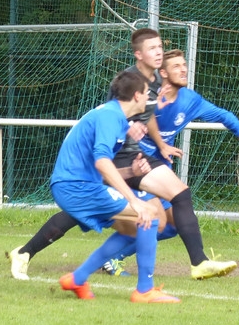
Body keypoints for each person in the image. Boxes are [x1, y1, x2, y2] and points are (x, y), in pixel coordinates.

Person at [7, 29, 237, 280]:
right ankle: (161, 276)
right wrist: (130, 133)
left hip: (128, 160)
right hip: (111, 161)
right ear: (138, 55)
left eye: (160, 47)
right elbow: (112, 123)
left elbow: (142, 117)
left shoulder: (154, 86)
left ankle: (38, 256)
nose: (159, 52)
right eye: (152, 48)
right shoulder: (127, 87)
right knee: (152, 215)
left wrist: (154, 146)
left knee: (160, 218)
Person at [98, 49, 239, 267]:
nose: (184, 69)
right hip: (136, 165)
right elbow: (127, 118)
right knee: (151, 218)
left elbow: (221, 114)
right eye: (176, 66)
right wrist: (160, 144)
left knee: (172, 225)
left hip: (159, 170)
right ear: (163, 73)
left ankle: (111, 258)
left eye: (184, 65)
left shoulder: (190, 100)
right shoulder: (147, 96)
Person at [51, 68, 179, 303]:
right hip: (75, 187)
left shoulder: (114, 117)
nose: (149, 97)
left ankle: (77, 279)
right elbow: (101, 162)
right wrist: (134, 201)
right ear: (137, 96)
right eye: (146, 93)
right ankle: (144, 291)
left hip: (78, 185)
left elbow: (100, 168)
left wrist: (131, 172)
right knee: (148, 215)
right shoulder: (111, 117)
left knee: (133, 229)